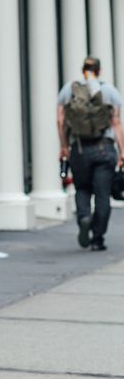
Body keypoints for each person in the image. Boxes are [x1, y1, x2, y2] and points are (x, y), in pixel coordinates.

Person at [57, 57, 124, 250]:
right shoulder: (109, 91)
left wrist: (63, 146)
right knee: (103, 195)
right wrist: (122, 152)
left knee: (82, 189)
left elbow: (60, 121)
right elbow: (116, 123)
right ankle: (97, 239)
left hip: (79, 149)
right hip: (105, 148)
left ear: (83, 70)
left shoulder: (69, 90)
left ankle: (84, 217)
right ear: (99, 71)